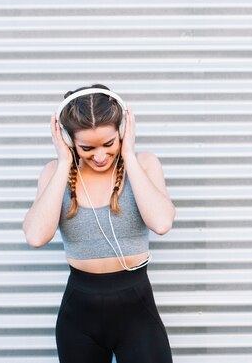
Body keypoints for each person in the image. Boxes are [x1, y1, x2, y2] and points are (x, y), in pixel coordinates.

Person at [21, 84, 176, 363]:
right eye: (87, 147)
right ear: (69, 140)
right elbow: (35, 236)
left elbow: (162, 222)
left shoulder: (144, 163)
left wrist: (128, 153)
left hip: (137, 312)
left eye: (109, 143)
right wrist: (64, 161)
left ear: (123, 131)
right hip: (79, 317)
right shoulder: (54, 173)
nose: (101, 156)